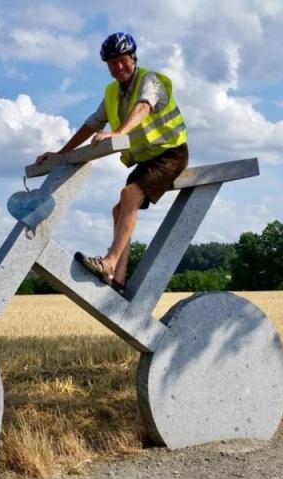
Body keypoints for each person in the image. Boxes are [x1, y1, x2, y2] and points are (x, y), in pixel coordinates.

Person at [35, 32, 189, 296]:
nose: (118, 67)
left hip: (171, 153)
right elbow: (93, 123)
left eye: (122, 60)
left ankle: (109, 261)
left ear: (133, 58)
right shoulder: (111, 92)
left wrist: (119, 133)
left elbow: (143, 107)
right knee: (119, 210)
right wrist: (60, 154)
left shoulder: (150, 80)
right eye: (111, 63)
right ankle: (118, 281)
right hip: (147, 161)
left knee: (129, 194)